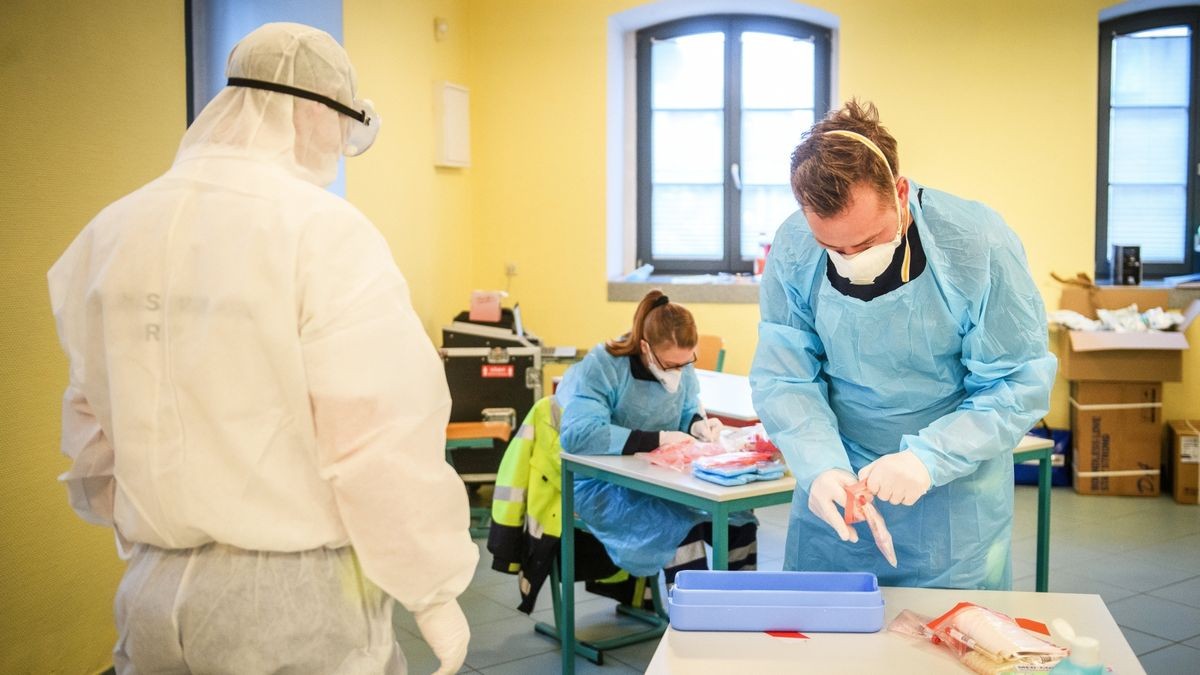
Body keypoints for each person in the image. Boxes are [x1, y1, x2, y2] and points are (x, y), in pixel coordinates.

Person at [48, 23, 475, 674]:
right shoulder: (323, 232)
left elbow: (90, 423)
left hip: (151, 594)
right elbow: (378, 441)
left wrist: (164, 532)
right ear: (313, 110)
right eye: (339, 127)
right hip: (291, 609)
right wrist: (434, 589)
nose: (337, 148)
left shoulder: (110, 230)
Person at [749, 100, 1056, 590]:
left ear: (900, 191)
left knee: (948, 647)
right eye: (835, 248)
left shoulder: (975, 245)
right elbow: (786, 374)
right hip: (840, 479)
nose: (853, 259)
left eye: (869, 239)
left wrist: (927, 459)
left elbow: (1016, 383)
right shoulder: (795, 246)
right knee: (829, 648)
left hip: (953, 497)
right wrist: (819, 465)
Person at [556, 290, 757, 582]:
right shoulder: (604, 365)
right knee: (678, 528)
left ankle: (743, 609)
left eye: (685, 363)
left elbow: (686, 407)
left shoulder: (681, 363)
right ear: (645, 348)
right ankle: (692, 621)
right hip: (606, 486)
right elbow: (578, 435)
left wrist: (697, 424)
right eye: (671, 365)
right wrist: (657, 439)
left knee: (739, 521)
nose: (679, 371)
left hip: (665, 480)